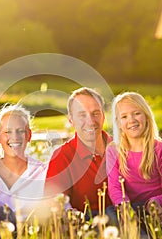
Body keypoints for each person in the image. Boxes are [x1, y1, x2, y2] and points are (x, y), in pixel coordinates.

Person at [44, 87, 113, 218]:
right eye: (82, 115)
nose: (91, 121)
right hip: (88, 229)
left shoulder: (122, 148)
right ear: (71, 120)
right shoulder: (62, 156)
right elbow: (54, 205)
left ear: (103, 116)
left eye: (95, 113)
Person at [106, 92, 162, 228]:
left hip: (156, 205)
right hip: (130, 206)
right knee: (110, 213)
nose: (131, 120)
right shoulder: (114, 150)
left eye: (137, 113)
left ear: (146, 116)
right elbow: (114, 187)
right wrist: (124, 206)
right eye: (124, 117)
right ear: (118, 123)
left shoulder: (159, 148)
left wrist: (157, 201)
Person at [0, 104, 47, 221]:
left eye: (20, 131)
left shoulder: (42, 173)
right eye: (7, 132)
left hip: (31, 234)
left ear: (29, 136)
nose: (15, 137)